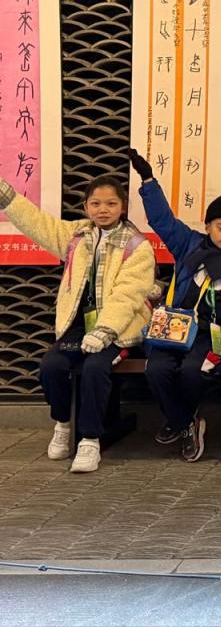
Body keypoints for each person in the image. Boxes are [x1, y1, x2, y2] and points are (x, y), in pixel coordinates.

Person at [0, 172, 154, 473]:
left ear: (123, 206)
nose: (103, 209)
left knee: (95, 368)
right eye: (95, 203)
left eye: (111, 203)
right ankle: (62, 422)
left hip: (119, 329)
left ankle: (90, 440)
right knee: (51, 366)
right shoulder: (77, 236)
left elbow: (128, 295)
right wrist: (6, 195)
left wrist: (105, 331)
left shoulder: (137, 246)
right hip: (78, 325)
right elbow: (37, 222)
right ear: (86, 207)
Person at [130, 150, 221, 464]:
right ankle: (185, 422)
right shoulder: (188, 244)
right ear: (208, 226)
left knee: (193, 372)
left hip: (211, 335)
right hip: (174, 327)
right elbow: (162, 220)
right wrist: (148, 181)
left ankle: (180, 422)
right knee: (157, 370)